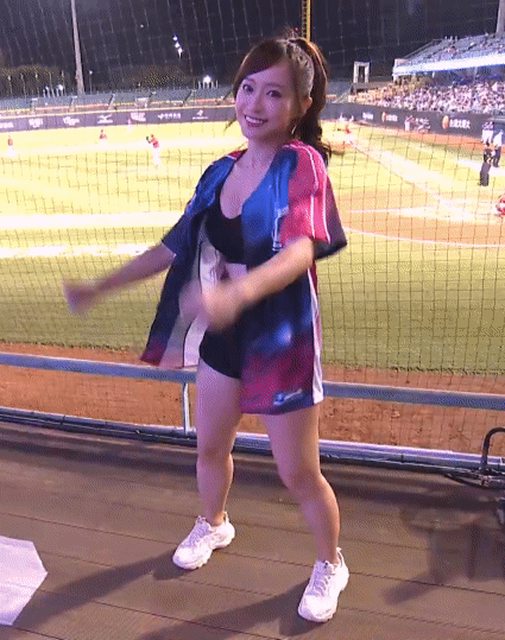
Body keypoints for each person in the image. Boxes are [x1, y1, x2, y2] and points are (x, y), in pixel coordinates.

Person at [63, 33, 348, 624]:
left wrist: (236, 292)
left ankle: (330, 562)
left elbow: (303, 249)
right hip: (225, 340)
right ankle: (214, 523)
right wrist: (101, 286)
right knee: (211, 446)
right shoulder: (220, 172)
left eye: (274, 93)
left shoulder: (302, 164)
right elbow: (173, 245)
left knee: (299, 473)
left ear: (300, 105)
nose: (255, 103)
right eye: (248, 88)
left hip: (282, 342)